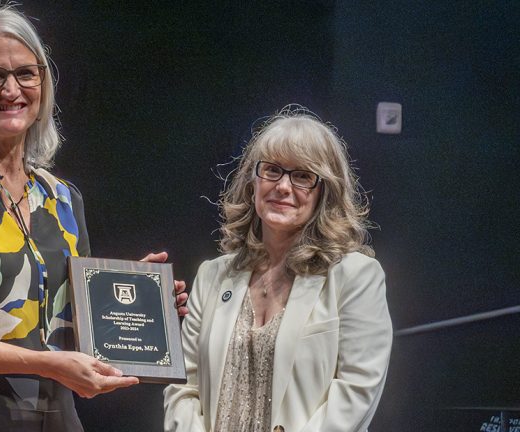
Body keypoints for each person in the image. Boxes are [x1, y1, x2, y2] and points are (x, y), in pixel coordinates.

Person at [0, 5, 186, 431]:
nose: (11, 89)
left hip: (59, 416)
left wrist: (132, 299)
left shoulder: (60, 198)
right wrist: (45, 364)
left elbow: (66, 336)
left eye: (26, 73)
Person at [163, 105, 393, 432]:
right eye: (272, 170)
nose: (283, 187)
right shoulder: (213, 275)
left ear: (323, 192)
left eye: (302, 176)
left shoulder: (356, 277)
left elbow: (356, 393)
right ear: (252, 182)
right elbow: (183, 388)